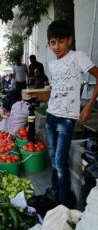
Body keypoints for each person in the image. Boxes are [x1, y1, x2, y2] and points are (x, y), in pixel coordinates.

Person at [45, 20, 98, 208]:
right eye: (53, 42)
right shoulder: (52, 64)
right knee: (53, 159)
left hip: (66, 120)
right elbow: (58, 89)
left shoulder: (78, 57)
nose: (57, 46)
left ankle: (64, 204)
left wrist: (88, 106)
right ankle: (54, 192)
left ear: (69, 40)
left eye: (60, 41)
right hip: (50, 116)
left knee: (60, 162)